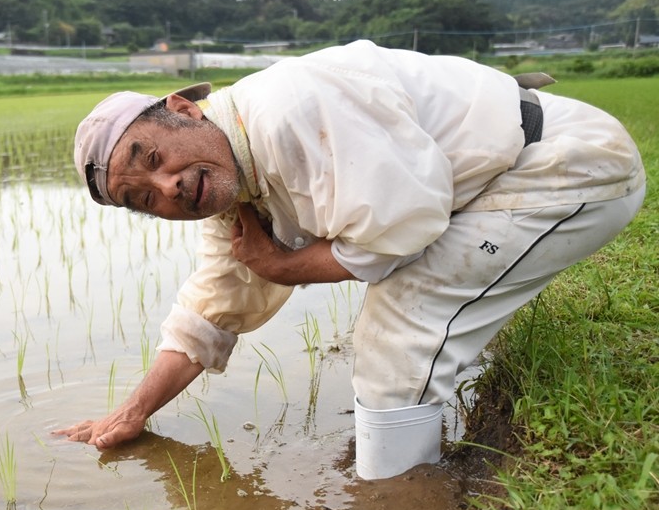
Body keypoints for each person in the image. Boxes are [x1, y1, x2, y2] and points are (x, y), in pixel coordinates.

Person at [54, 40, 646, 479]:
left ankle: (395, 501)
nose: (169, 187)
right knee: (407, 317)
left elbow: (407, 224)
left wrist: (285, 267)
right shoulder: (228, 190)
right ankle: (400, 466)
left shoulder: (289, 110)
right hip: (497, 184)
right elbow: (209, 312)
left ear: (183, 109)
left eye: (155, 157)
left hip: (564, 168)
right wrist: (130, 413)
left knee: (402, 326)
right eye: (144, 198)